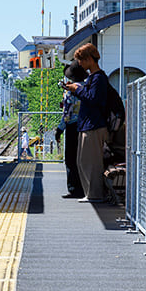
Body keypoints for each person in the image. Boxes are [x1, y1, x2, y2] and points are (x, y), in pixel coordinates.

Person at [63, 43, 108, 203]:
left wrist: (77, 90)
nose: (80, 64)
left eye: (81, 60)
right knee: (83, 161)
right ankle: (90, 193)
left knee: (91, 162)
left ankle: (95, 194)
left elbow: (93, 99)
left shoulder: (98, 78)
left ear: (89, 59)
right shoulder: (93, 78)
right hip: (87, 125)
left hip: (94, 125)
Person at [55, 60, 88, 199]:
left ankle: (74, 188)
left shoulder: (71, 91)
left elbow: (67, 113)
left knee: (70, 159)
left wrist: (59, 129)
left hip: (73, 127)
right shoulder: (86, 87)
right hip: (87, 126)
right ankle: (84, 187)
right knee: (83, 158)